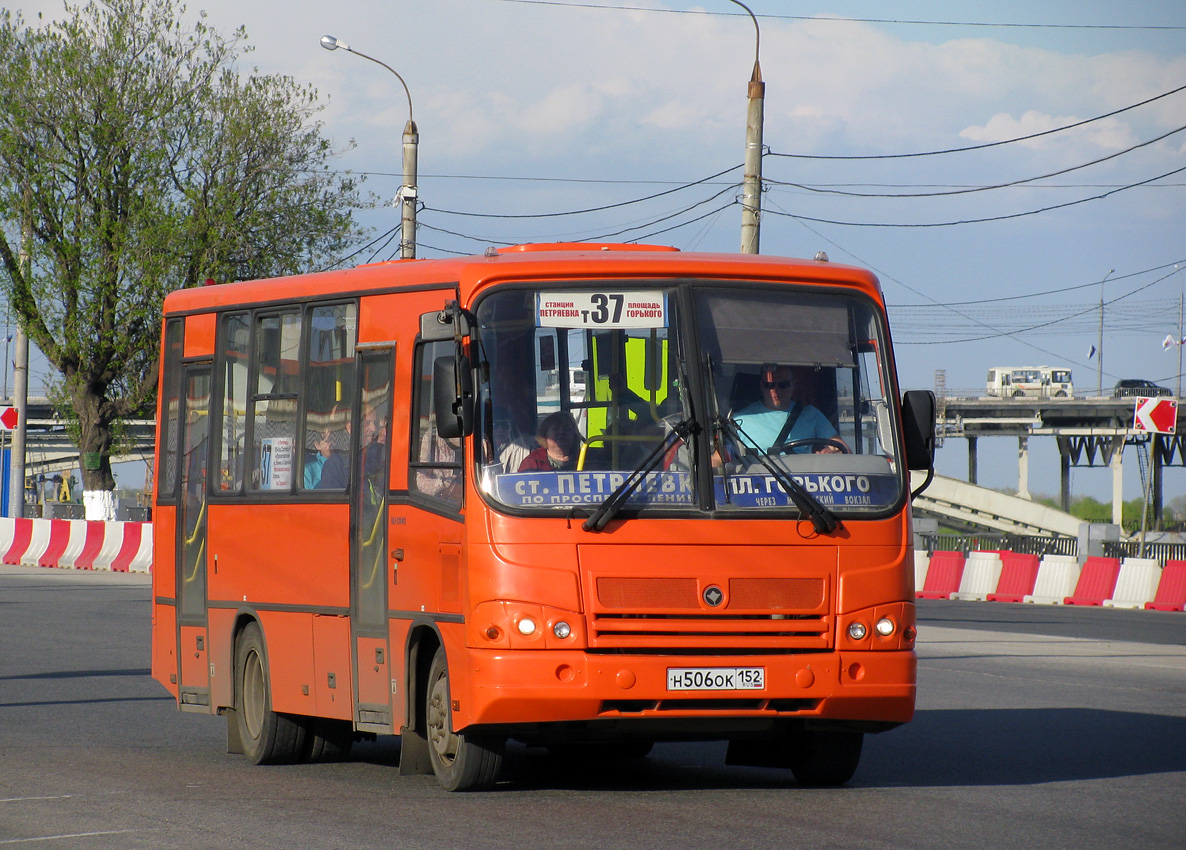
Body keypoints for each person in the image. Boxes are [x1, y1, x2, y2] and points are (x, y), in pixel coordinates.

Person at [733, 363, 842, 454]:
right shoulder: (739, 420)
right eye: (770, 385)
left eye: (783, 385)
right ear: (761, 386)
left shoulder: (811, 414)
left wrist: (830, 454)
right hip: (759, 478)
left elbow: (842, 449)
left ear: (794, 384)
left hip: (802, 477)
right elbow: (718, 460)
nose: (776, 391)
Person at [518, 411, 582, 472]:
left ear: (574, 434)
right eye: (555, 428)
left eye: (567, 428)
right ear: (544, 434)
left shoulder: (588, 458)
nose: (561, 432)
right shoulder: (532, 462)